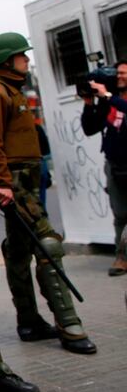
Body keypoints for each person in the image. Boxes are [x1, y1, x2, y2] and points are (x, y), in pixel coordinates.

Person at [0, 32, 97, 354]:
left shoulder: (13, 91)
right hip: (15, 184)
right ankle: (69, 326)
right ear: (6, 60)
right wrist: (2, 182)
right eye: (22, 55)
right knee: (48, 245)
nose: (27, 60)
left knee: (17, 254)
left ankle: (28, 322)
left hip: (27, 181)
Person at [81, 60, 127, 276]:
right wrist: (89, 103)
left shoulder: (115, 100)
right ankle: (122, 258)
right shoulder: (109, 102)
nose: (120, 76)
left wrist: (108, 96)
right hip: (115, 165)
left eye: (124, 73)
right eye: (118, 73)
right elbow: (90, 128)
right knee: (120, 214)